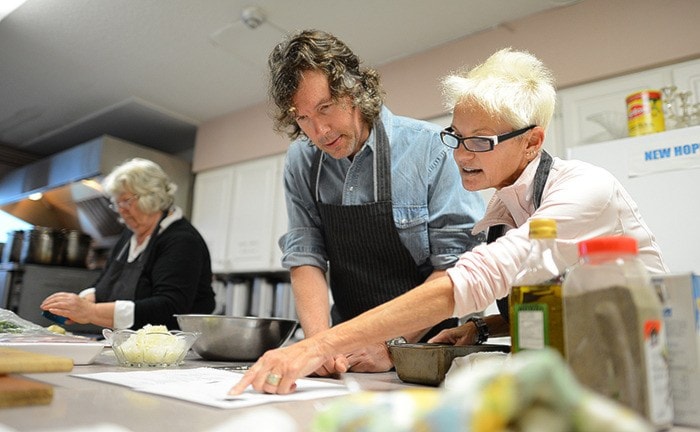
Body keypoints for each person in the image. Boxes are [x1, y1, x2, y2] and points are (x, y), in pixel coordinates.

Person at [228, 47, 668, 396]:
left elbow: (473, 278)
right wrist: (483, 326)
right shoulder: (505, 209)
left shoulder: (584, 188)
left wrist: (320, 345)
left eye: (480, 141)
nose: (458, 155)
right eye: (456, 137)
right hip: (583, 373)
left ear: (532, 142)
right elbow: (560, 302)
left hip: (643, 367)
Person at [270, 29, 486, 374]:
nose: (320, 131)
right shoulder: (302, 160)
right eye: (303, 118)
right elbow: (305, 255)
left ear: (354, 89)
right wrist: (319, 344)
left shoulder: (430, 149)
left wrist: (391, 344)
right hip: (347, 353)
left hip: (425, 350)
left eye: (326, 108)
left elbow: (457, 266)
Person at [41, 158, 215, 330]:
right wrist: (80, 302)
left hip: (170, 349)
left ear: (152, 197)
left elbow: (169, 308)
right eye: (116, 203)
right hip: (131, 343)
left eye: (126, 201)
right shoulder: (129, 236)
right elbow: (105, 284)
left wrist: (91, 312)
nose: (120, 209)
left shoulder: (182, 240)